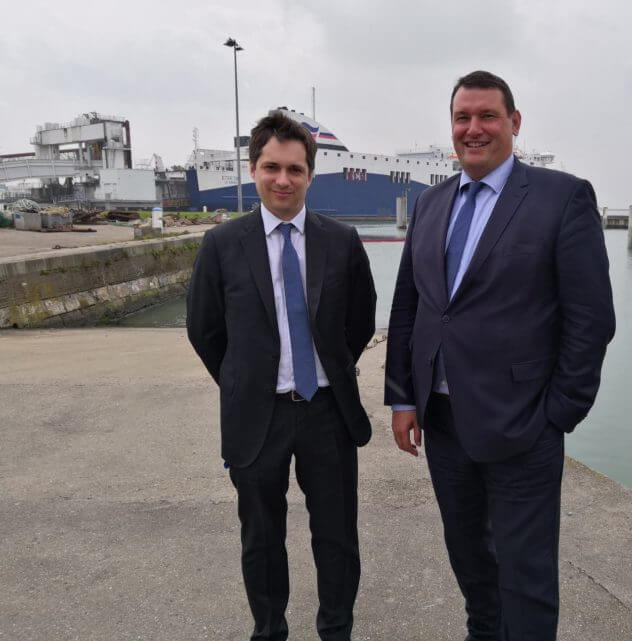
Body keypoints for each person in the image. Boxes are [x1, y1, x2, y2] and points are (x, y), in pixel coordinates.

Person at [385, 70, 615, 640]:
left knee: (527, 576)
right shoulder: (431, 202)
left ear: (514, 123)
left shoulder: (562, 197)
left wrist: (559, 412)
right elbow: (410, 307)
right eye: (463, 118)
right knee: (469, 561)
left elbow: (591, 319)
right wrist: (402, 398)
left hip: (523, 426)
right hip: (442, 422)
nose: (474, 128)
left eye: (488, 116)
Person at [187, 110, 376, 641]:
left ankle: (335, 630)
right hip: (258, 416)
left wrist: (329, 372)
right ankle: (269, 630)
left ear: (311, 175)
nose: (283, 180)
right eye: (272, 167)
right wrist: (244, 382)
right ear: (254, 170)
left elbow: (359, 321)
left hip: (327, 415)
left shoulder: (341, 241)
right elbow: (205, 331)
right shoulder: (222, 246)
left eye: (295, 169)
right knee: (261, 539)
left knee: (337, 538)